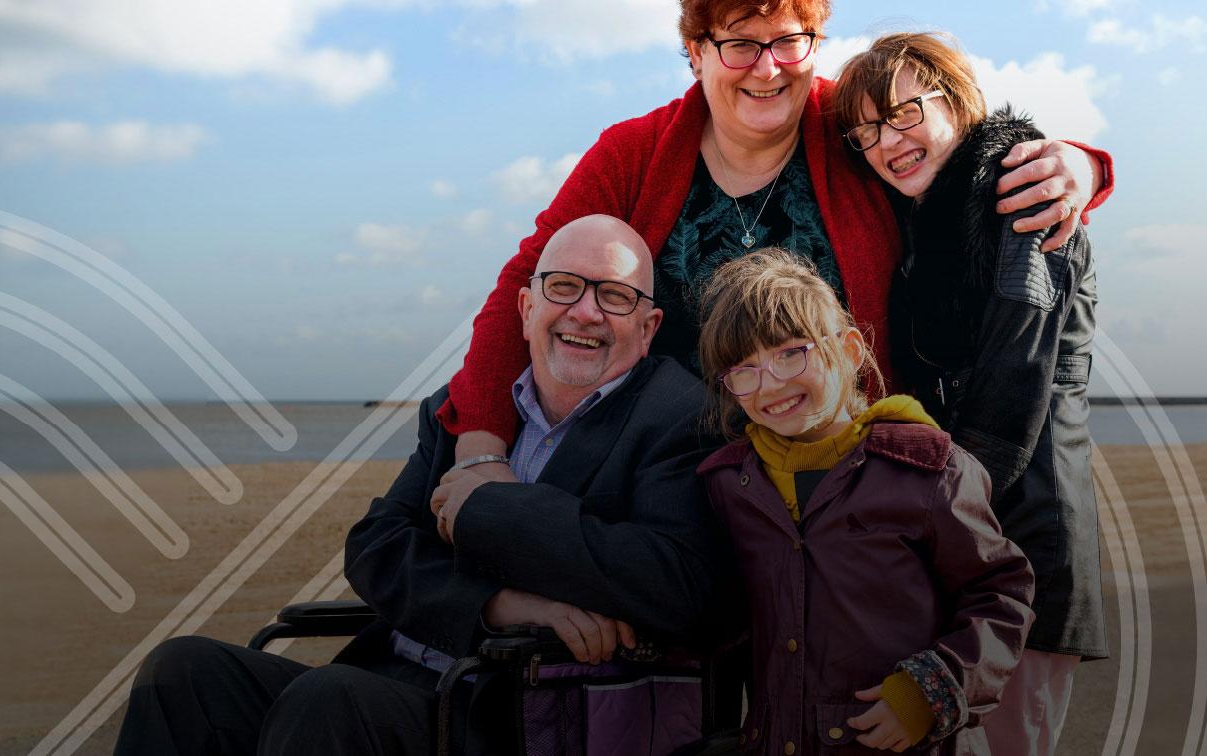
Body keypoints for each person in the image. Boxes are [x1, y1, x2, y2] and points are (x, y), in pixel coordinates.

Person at [112, 215, 726, 755]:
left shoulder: (678, 416)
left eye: (615, 297)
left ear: (647, 329)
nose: (585, 312)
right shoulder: (466, 410)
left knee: (330, 701)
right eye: (563, 287)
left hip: (519, 708)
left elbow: (672, 580)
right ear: (527, 309)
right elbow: (376, 545)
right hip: (401, 666)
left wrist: (490, 505)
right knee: (183, 671)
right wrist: (499, 605)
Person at [440, 0, 1113, 485]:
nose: (767, 69)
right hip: (667, 475)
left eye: (789, 41)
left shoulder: (852, 125)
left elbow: (956, 158)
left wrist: (1081, 166)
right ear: (697, 52)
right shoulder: (635, 153)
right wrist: (481, 446)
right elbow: (530, 281)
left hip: (846, 475)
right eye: (740, 43)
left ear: (816, 45)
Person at [832, 32, 1104, 755]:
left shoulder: (1021, 195)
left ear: (954, 98)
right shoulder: (929, 221)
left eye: (902, 113)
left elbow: (1017, 380)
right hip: (969, 529)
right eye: (864, 134)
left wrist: (923, 511)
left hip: (1027, 527)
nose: (886, 143)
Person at [694, 248, 1035, 755]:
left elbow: (1001, 593)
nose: (772, 383)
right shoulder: (727, 485)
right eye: (743, 368)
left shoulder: (929, 470)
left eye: (792, 352)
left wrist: (932, 691)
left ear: (851, 350)